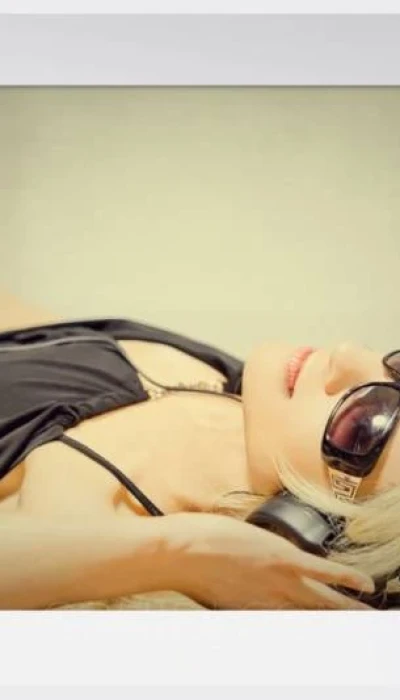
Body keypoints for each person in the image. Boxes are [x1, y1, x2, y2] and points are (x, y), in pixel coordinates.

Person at [0, 293, 398, 611]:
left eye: (365, 419)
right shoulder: (250, 398)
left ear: (318, 526)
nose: (347, 353)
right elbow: (30, 333)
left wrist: (180, 552)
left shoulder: (82, 519)